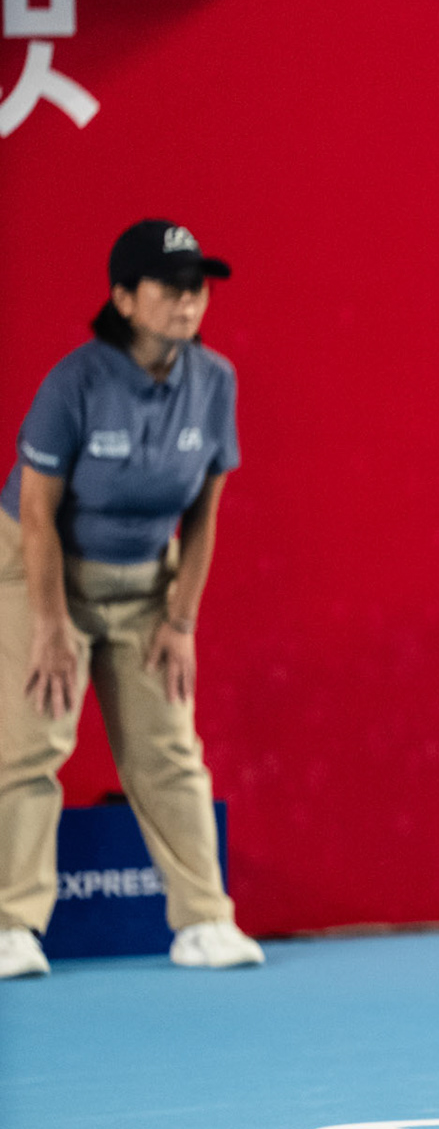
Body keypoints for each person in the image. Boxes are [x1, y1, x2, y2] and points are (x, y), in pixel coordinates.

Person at [0, 220, 264, 979]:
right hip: (38, 567)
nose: (188, 302)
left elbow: (206, 511)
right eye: (169, 287)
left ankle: (204, 921)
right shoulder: (74, 381)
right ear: (123, 297)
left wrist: (180, 618)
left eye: (197, 288)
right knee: (33, 741)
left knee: (169, 748)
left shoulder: (215, 381)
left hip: (148, 575)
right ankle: (12, 925)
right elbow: (38, 516)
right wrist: (49, 624)